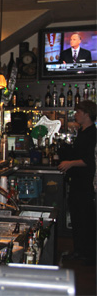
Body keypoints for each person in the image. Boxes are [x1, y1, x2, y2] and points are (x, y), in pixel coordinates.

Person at [58, 100, 96, 263]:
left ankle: (85, 254)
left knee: (83, 218)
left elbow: (90, 160)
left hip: (85, 183)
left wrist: (70, 163)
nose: (76, 114)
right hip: (79, 181)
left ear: (87, 114)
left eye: (78, 112)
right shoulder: (83, 131)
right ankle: (79, 250)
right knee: (78, 217)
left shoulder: (92, 134)